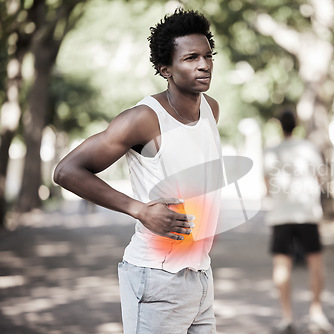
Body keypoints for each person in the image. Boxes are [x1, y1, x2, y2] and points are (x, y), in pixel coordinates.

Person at [54, 9, 222, 333]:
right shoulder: (144, 118)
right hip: (156, 278)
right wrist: (139, 210)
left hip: (201, 275)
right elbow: (67, 171)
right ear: (166, 69)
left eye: (207, 55)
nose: (204, 64)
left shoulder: (211, 109)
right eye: (190, 58)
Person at [263, 110, 333, 333]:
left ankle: (287, 316)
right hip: (307, 213)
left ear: (280, 126)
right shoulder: (308, 148)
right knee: (316, 265)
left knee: (282, 266)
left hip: (281, 215)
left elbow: (266, 185)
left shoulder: (271, 150)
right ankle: (316, 312)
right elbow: (321, 177)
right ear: (297, 125)